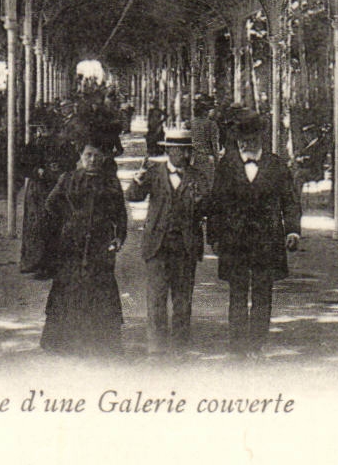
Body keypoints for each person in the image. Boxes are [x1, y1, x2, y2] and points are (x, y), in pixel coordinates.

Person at [207, 112, 300, 357]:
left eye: (249, 139)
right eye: (240, 140)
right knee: (237, 293)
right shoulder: (227, 165)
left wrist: (292, 230)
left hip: (266, 241)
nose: (244, 145)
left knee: (262, 293)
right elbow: (216, 203)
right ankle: (237, 347)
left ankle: (256, 345)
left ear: (260, 138)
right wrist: (214, 236)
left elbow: (290, 201)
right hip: (234, 241)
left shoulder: (276, 165)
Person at [33, 128, 129, 356]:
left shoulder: (110, 183)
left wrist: (118, 238)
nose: (92, 160)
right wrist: (62, 229)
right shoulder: (68, 180)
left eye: (96, 156)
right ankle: (66, 343)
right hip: (71, 245)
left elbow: (120, 215)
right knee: (69, 289)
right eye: (88, 155)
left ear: (103, 158)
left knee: (99, 291)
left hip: (100, 244)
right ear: (81, 157)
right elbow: (50, 207)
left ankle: (99, 343)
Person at [125, 126, 209, 354]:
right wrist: (137, 180)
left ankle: (180, 346)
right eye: (180, 151)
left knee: (183, 300)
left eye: (187, 151)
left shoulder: (197, 177)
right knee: (156, 299)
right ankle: (157, 347)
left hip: (185, 246)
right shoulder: (153, 172)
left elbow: (208, 209)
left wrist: (201, 203)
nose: (185, 155)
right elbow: (133, 196)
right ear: (169, 150)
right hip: (157, 246)